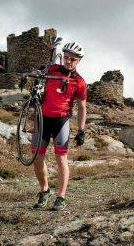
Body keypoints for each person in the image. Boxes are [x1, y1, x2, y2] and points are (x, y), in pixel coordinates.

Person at [32, 41, 87, 211]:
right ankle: (45, 190)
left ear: (78, 61)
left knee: (61, 159)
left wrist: (81, 130)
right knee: (37, 159)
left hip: (61, 121)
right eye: (67, 57)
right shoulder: (52, 70)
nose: (69, 61)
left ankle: (61, 196)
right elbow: (37, 75)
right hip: (42, 118)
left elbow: (82, 107)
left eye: (73, 59)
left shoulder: (79, 82)